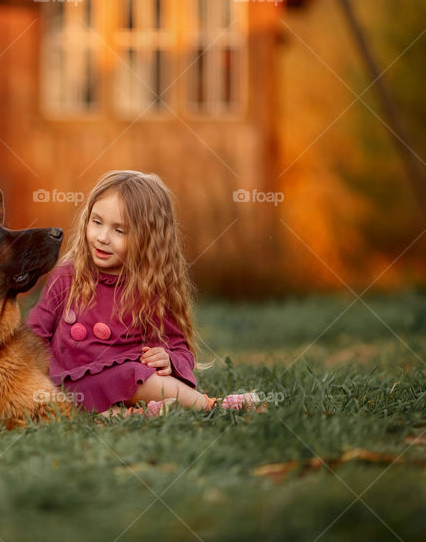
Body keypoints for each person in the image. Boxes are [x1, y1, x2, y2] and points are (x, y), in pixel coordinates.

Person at [27, 170, 259, 416]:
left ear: (148, 238)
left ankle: (208, 406)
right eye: (96, 222)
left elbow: (179, 348)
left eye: (120, 230)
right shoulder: (67, 277)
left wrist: (168, 359)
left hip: (124, 381)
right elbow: (33, 334)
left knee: (138, 375)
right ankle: (152, 411)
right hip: (63, 384)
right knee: (121, 379)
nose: (102, 237)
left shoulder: (151, 289)